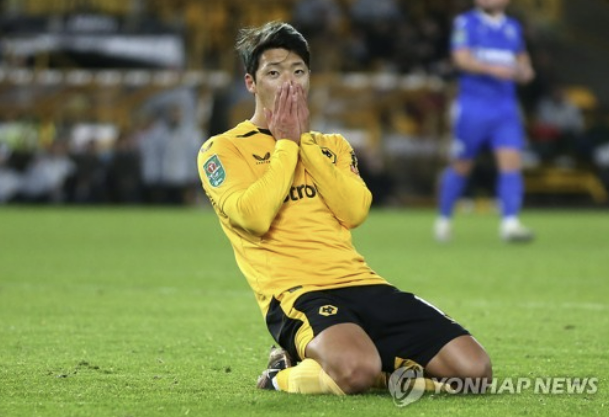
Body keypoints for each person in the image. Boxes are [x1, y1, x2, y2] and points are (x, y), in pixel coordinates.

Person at [197, 21, 491, 396]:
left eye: (298, 72)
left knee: (475, 371)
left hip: (362, 283)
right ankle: (280, 374)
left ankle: (372, 369)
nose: (289, 84)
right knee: (355, 371)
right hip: (297, 294)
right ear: (251, 83)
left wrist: (302, 141)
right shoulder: (223, 149)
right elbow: (253, 218)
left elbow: (355, 212)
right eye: (274, 73)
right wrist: (285, 145)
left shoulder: (332, 145)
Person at [434, 0, 535, 243]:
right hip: (473, 107)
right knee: (462, 164)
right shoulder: (466, 22)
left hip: (505, 108)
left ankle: (510, 223)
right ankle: (444, 219)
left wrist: (525, 71)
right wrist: (493, 69)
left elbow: (523, 60)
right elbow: (461, 58)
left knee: (511, 162)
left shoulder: (513, 27)